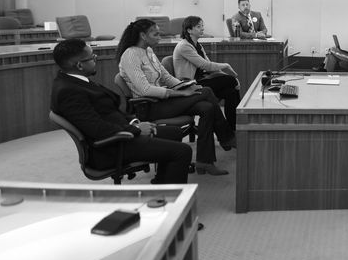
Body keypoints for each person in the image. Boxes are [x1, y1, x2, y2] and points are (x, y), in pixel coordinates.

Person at [51, 38, 192, 184]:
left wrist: (134, 122)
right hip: (112, 146)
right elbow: (97, 129)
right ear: (79, 65)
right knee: (182, 151)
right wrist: (136, 129)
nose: (95, 59)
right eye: (92, 57)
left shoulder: (74, 81)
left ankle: (163, 182)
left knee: (174, 133)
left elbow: (107, 110)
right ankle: (172, 198)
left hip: (120, 132)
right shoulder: (68, 92)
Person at [117, 19, 235, 176]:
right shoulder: (130, 55)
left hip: (163, 101)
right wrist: (179, 93)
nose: (160, 36)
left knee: (206, 107)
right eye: (155, 33)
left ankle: (204, 161)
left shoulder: (149, 51)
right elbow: (145, 90)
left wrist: (186, 86)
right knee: (206, 92)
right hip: (149, 107)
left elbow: (166, 77)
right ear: (143, 36)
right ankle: (226, 136)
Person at [173, 16, 241, 131]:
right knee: (230, 81)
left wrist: (230, 78)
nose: (202, 29)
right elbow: (205, 65)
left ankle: (234, 127)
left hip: (200, 81)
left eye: (202, 26)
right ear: (189, 30)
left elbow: (210, 66)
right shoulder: (184, 46)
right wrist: (227, 66)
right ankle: (231, 128)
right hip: (189, 85)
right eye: (198, 26)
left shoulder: (198, 45)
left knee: (231, 91)